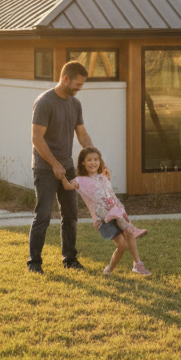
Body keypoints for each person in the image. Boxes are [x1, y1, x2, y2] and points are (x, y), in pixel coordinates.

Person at [28, 61, 95, 274]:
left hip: (67, 167)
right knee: (43, 216)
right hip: (45, 169)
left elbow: (82, 134)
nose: (79, 88)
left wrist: (96, 159)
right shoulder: (45, 102)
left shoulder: (75, 104)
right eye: (77, 84)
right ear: (66, 78)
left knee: (71, 214)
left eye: (82, 85)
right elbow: (37, 139)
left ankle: (70, 259)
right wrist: (54, 164)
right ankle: (34, 263)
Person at [60, 147, 151, 276]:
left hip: (116, 213)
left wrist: (122, 210)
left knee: (129, 233)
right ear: (82, 163)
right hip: (102, 219)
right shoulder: (80, 181)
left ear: (100, 161)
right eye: (89, 160)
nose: (93, 163)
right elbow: (67, 186)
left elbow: (111, 195)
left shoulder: (103, 177)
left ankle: (138, 264)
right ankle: (109, 270)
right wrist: (62, 176)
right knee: (122, 245)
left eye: (96, 159)